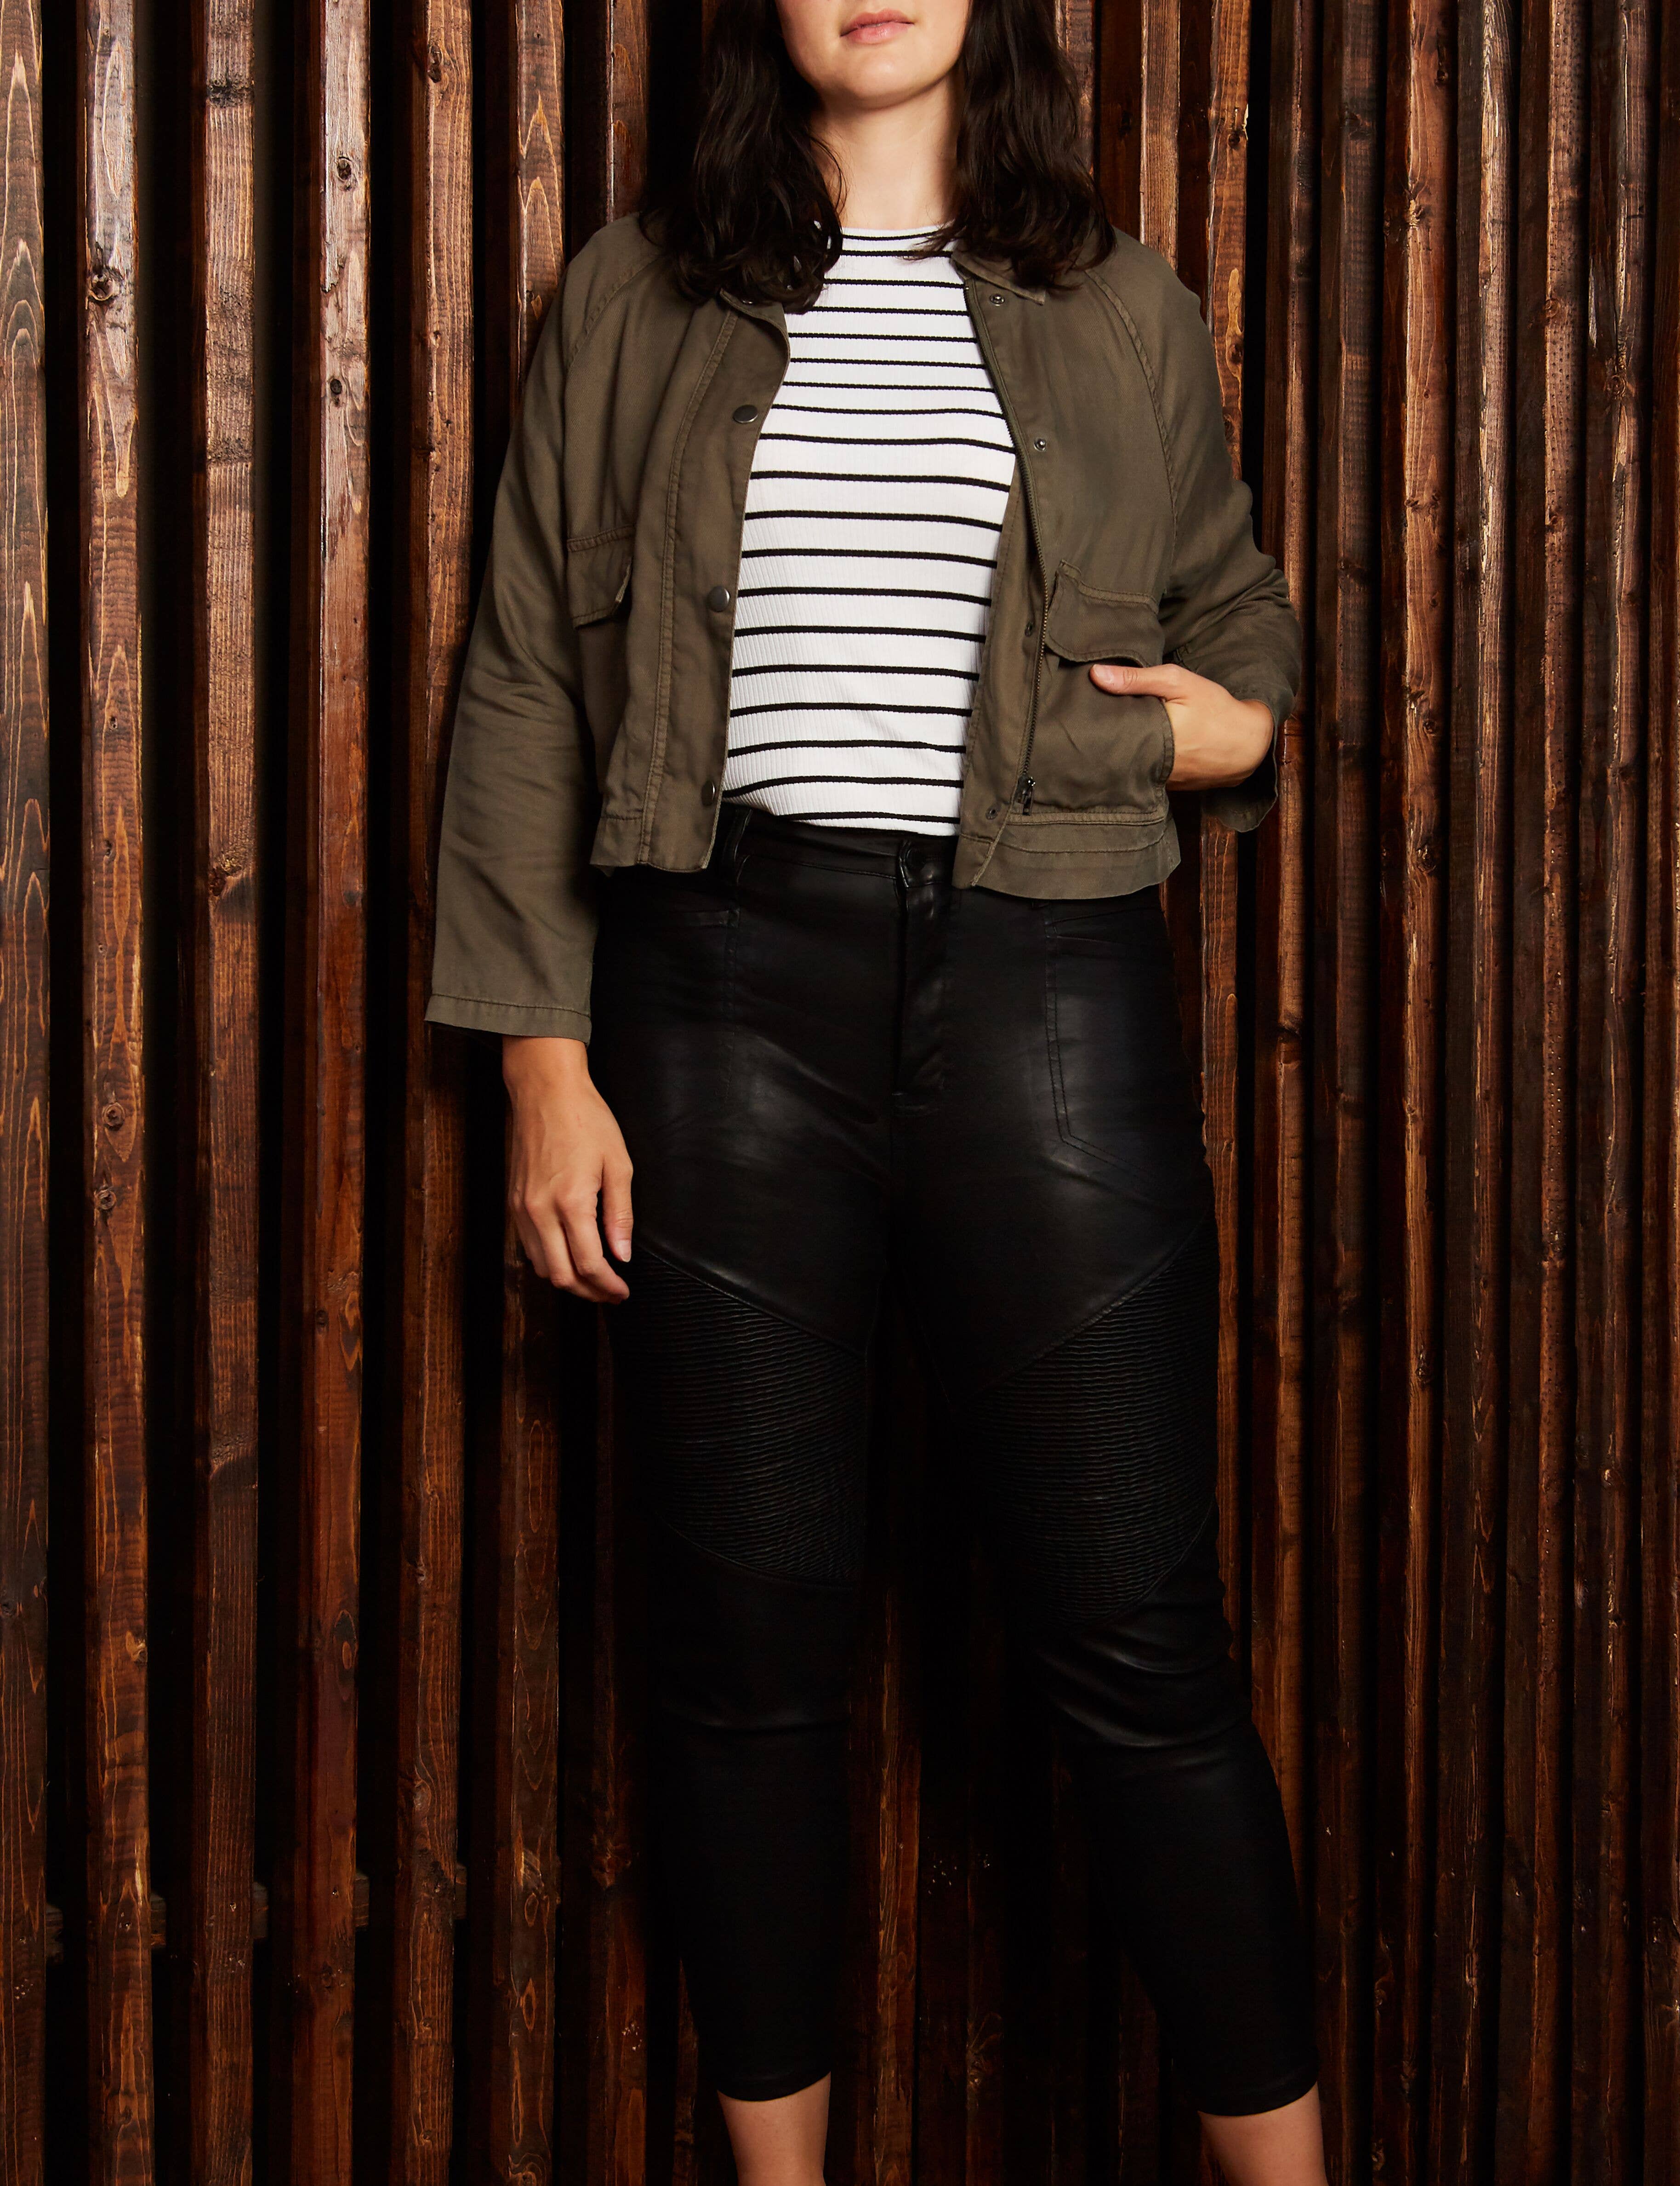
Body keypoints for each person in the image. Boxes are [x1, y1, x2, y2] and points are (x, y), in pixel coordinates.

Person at [426, 0, 1325, 2175]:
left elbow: (1240, 639)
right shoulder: (635, 294)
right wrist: (541, 1060)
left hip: (1046, 985)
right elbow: (528, 668)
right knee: (746, 1647)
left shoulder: (1118, 306)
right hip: (717, 995)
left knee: (1134, 1635)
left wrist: (1212, 730)